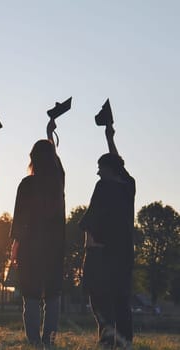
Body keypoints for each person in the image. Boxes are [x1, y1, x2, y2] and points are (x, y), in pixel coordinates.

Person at [9, 119, 65, 346]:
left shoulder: (26, 185)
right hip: (54, 246)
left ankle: (34, 341)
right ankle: (49, 340)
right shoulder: (57, 182)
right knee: (52, 295)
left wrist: (15, 245)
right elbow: (57, 165)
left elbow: (19, 218)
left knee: (30, 295)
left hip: (30, 246)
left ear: (32, 158)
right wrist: (50, 135)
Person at [79, 125, 135, 349]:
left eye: (100, 168)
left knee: (100, 302)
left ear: (107, 169)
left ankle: (106, 342)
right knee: (121, 301)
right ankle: (124, 343)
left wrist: (88, 251)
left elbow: (91, 223)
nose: (98, 172)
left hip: (101, 254)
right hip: (124, 255)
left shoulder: (103, 187)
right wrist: (109, 138)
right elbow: (120, 167)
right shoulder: (128, 186)